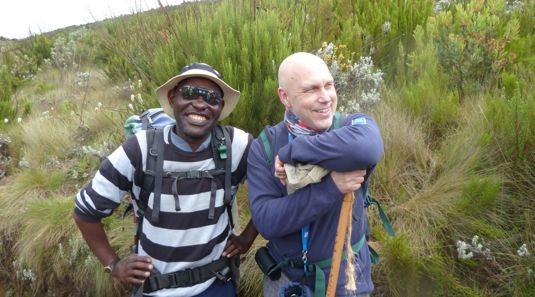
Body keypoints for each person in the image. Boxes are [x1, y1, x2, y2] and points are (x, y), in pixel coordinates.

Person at [74, 63, 258, 297]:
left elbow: (275, 188)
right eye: (190, 93)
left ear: (220, 107)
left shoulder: (237, 145)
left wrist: (247, 238)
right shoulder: (140, 148)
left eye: (212, 98)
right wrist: (114, 265)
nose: (200, 104)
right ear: (172, 98)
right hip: (154, 289)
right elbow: (85, 211)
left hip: (216, 284)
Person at [247, 52, 384, 297]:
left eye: (329, 85)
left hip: (347, 281)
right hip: (288, 283)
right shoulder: (265, 146)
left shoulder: (352, 127)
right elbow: (266, 221)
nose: (325, 98)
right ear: (285, 97)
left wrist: (294, 151)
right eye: (311, 90)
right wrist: (331, 187)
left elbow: (369, 147)